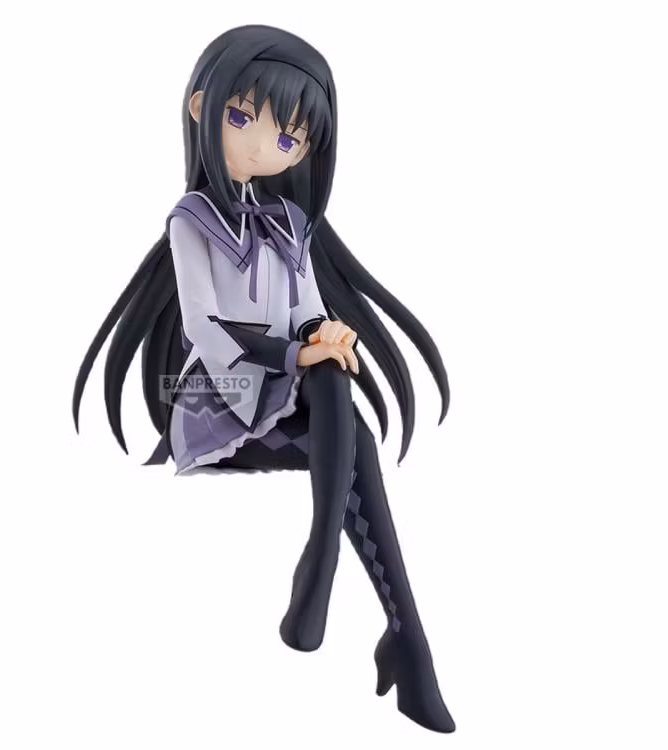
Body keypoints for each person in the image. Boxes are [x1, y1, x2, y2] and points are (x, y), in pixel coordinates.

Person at [73, 24, 454, 733]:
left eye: (288, 138)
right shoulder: (191, 223)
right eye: (243, 118)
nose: (262, 147)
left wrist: (326, 333)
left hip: (285, 393)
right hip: (212, 396)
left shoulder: (289, 222)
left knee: (336, 379)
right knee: (347, 424)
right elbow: (204, 328)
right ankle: (382, 619)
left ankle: (340, 581)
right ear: (202, 108)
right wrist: (294, 355)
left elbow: (306, 310)